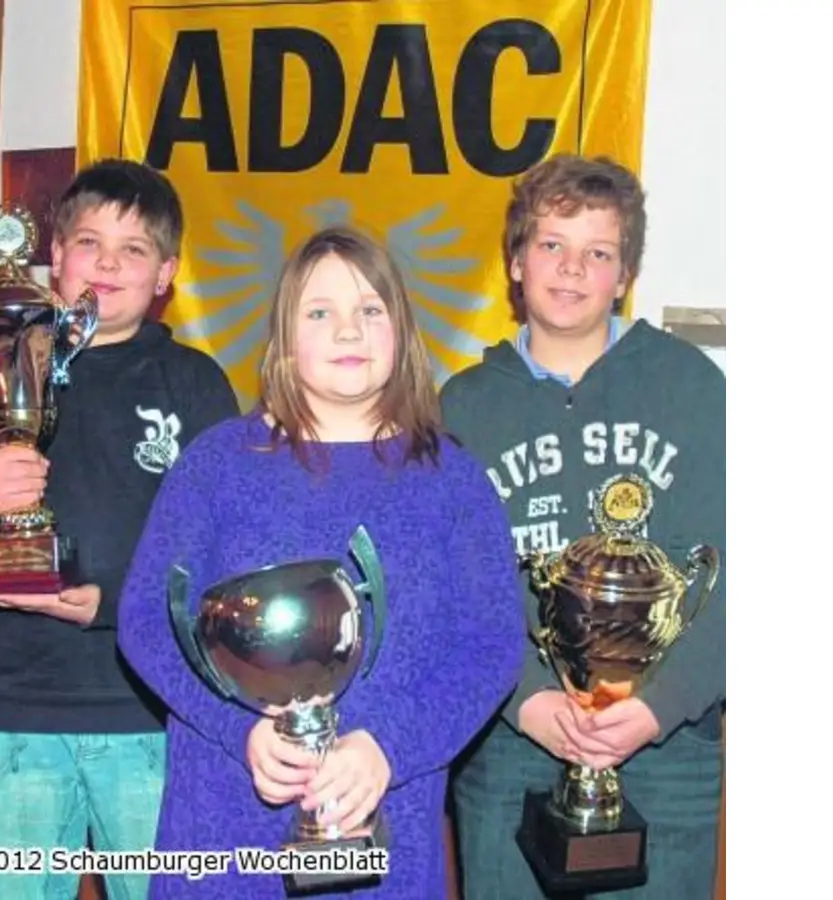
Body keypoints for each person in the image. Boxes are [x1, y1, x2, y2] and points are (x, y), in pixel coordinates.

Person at [116, 225, 527, 897]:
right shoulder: (217, 464)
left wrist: (389, 747)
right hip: (225, 818)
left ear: (401, 331)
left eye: (370, 309)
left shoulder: (453, 480)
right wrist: (238, 730)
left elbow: (490, 646)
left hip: (387, 817)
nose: (348, 330)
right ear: (284, 338)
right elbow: (146, 620)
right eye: (319, 312)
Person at [0, 158, 241, 900]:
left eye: (135, 249)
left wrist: (114, 603)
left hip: (154, 712)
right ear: (56, 255)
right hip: (7, 712)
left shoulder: (196, 386)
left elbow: (225, 558)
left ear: (167, 273)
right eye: (90, 242)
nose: (109, 264)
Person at [442, 153, 726, 899]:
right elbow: (453, 588)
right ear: (515, 262)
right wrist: (528, 700)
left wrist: (658, 707)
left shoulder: (694, 387)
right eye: (551, 245)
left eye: (598, 253)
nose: (572, 269)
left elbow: (731, 573)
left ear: (625, 274)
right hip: (511, 745)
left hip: (666, 750)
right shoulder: (460, 409)